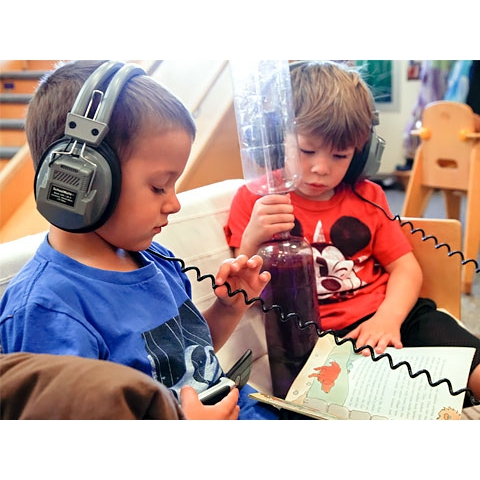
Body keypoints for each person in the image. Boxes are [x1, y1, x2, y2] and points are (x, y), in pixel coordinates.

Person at [0, 60, 279, 420]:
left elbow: (182, 362)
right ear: (77, 178)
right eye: (159, 186)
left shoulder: (154, 257)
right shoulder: (47, 310)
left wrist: (228, 309)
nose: (174, 202)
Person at [224, 60, 480, 406]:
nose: (320, 168)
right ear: (275, 138)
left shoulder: (368, 196)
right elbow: (243, 279)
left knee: (468, 362)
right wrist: (254, 235)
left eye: (340, 155)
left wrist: (389, 319)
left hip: (392, 315)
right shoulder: (256, 200)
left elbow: (405, 267)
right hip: (318, 338)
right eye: (306, 150)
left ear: (361, 155)